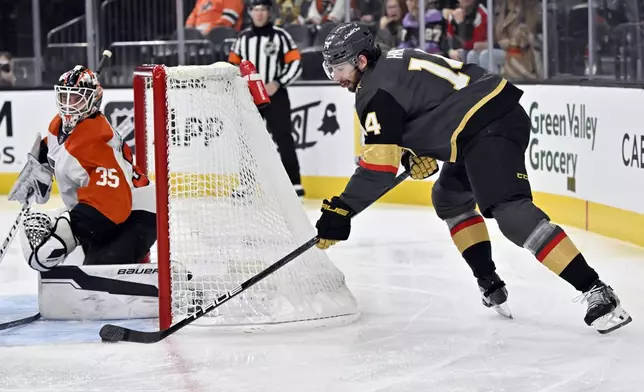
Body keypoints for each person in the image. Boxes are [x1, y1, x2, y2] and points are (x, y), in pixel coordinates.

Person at [314, 22, 632, 334]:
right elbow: (430, 104)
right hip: (481, 123)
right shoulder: (394, 61)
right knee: (449, 198)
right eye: (332, 70)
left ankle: (597, 291)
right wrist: (413, 151)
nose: (337, 78)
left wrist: (342, 209)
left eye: (339, 68)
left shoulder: (374, 92)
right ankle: (490, 284)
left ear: (361, 60)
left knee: (512, 215)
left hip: (488, 127)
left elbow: (378, 170)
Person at [9, 65, 156, 272]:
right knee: (47, 234)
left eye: (76, 98)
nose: (69, 105)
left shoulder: (96, 138)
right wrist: (40, 164)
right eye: (65, 97)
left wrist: (69, 229)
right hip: (107, 209)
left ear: (93, 100)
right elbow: (53, 145)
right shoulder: (59, 124)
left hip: (134, 215)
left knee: (97, 271)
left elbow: (114, 203)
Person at [228, 0, 305, 197]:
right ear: (250, 12)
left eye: (263, 9)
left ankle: (294, 183)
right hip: (249, 97)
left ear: (269, 12)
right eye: (256, 9)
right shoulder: (242, 38)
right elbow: (232, 66)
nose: (259, 13)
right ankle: (247, 184)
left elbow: (296, 63)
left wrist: (277, 82)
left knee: (283, 137)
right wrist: (242, 83)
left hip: (275, 95)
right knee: (247, 140)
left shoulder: (281, 36)